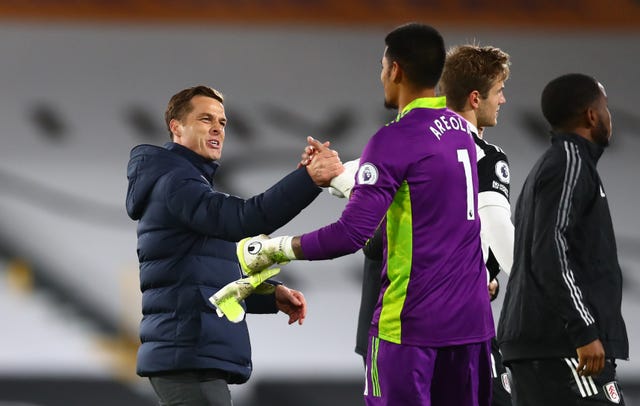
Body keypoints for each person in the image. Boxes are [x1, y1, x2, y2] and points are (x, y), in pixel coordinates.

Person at [219, 23, 494, 406]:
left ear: (396, 69)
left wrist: (274, 249)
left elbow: (351, 234)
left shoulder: (394, 138)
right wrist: (336, 174)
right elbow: (411, 194)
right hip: (472, 327)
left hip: (412, 326)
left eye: (382, 66)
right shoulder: (460, 131)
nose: (381, 75)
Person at [125, 85, 343, 406]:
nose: (217, 128)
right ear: (176, 127)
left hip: (190, 356)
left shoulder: (184, 181)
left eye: (222, 122)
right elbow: (245, 218)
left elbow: (204, 279)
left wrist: (268, 293)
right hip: (187, 356)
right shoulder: (177, 183)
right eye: (205, 119)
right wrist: (308, 179)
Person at [497, 73, 629, 405]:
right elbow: (550, 250)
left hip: (547, 344)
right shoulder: (570, 162)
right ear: (592, 115)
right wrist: (584, 329)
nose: (609, 116)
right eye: (605, 107)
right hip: (562, 345)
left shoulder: (558, 165)